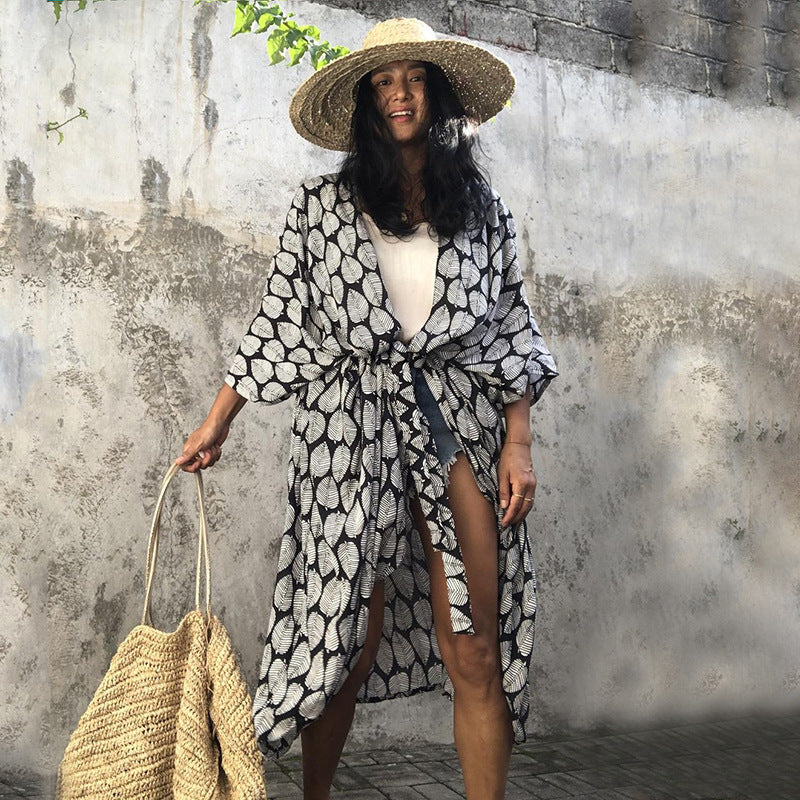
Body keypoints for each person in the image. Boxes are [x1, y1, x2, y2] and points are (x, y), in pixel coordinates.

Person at [176, 17, 558, 800]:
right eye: (383, 81)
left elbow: (512, 328)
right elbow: (279, 319)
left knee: (475, 650)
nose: (400, 93)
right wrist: (217, 422)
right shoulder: (321, 209)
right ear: (363, 102)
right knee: (344, 645)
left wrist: (518, 441)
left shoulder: (484, 212)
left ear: (438, 92)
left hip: (456, 428)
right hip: (347, 434)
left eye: (414, 77)